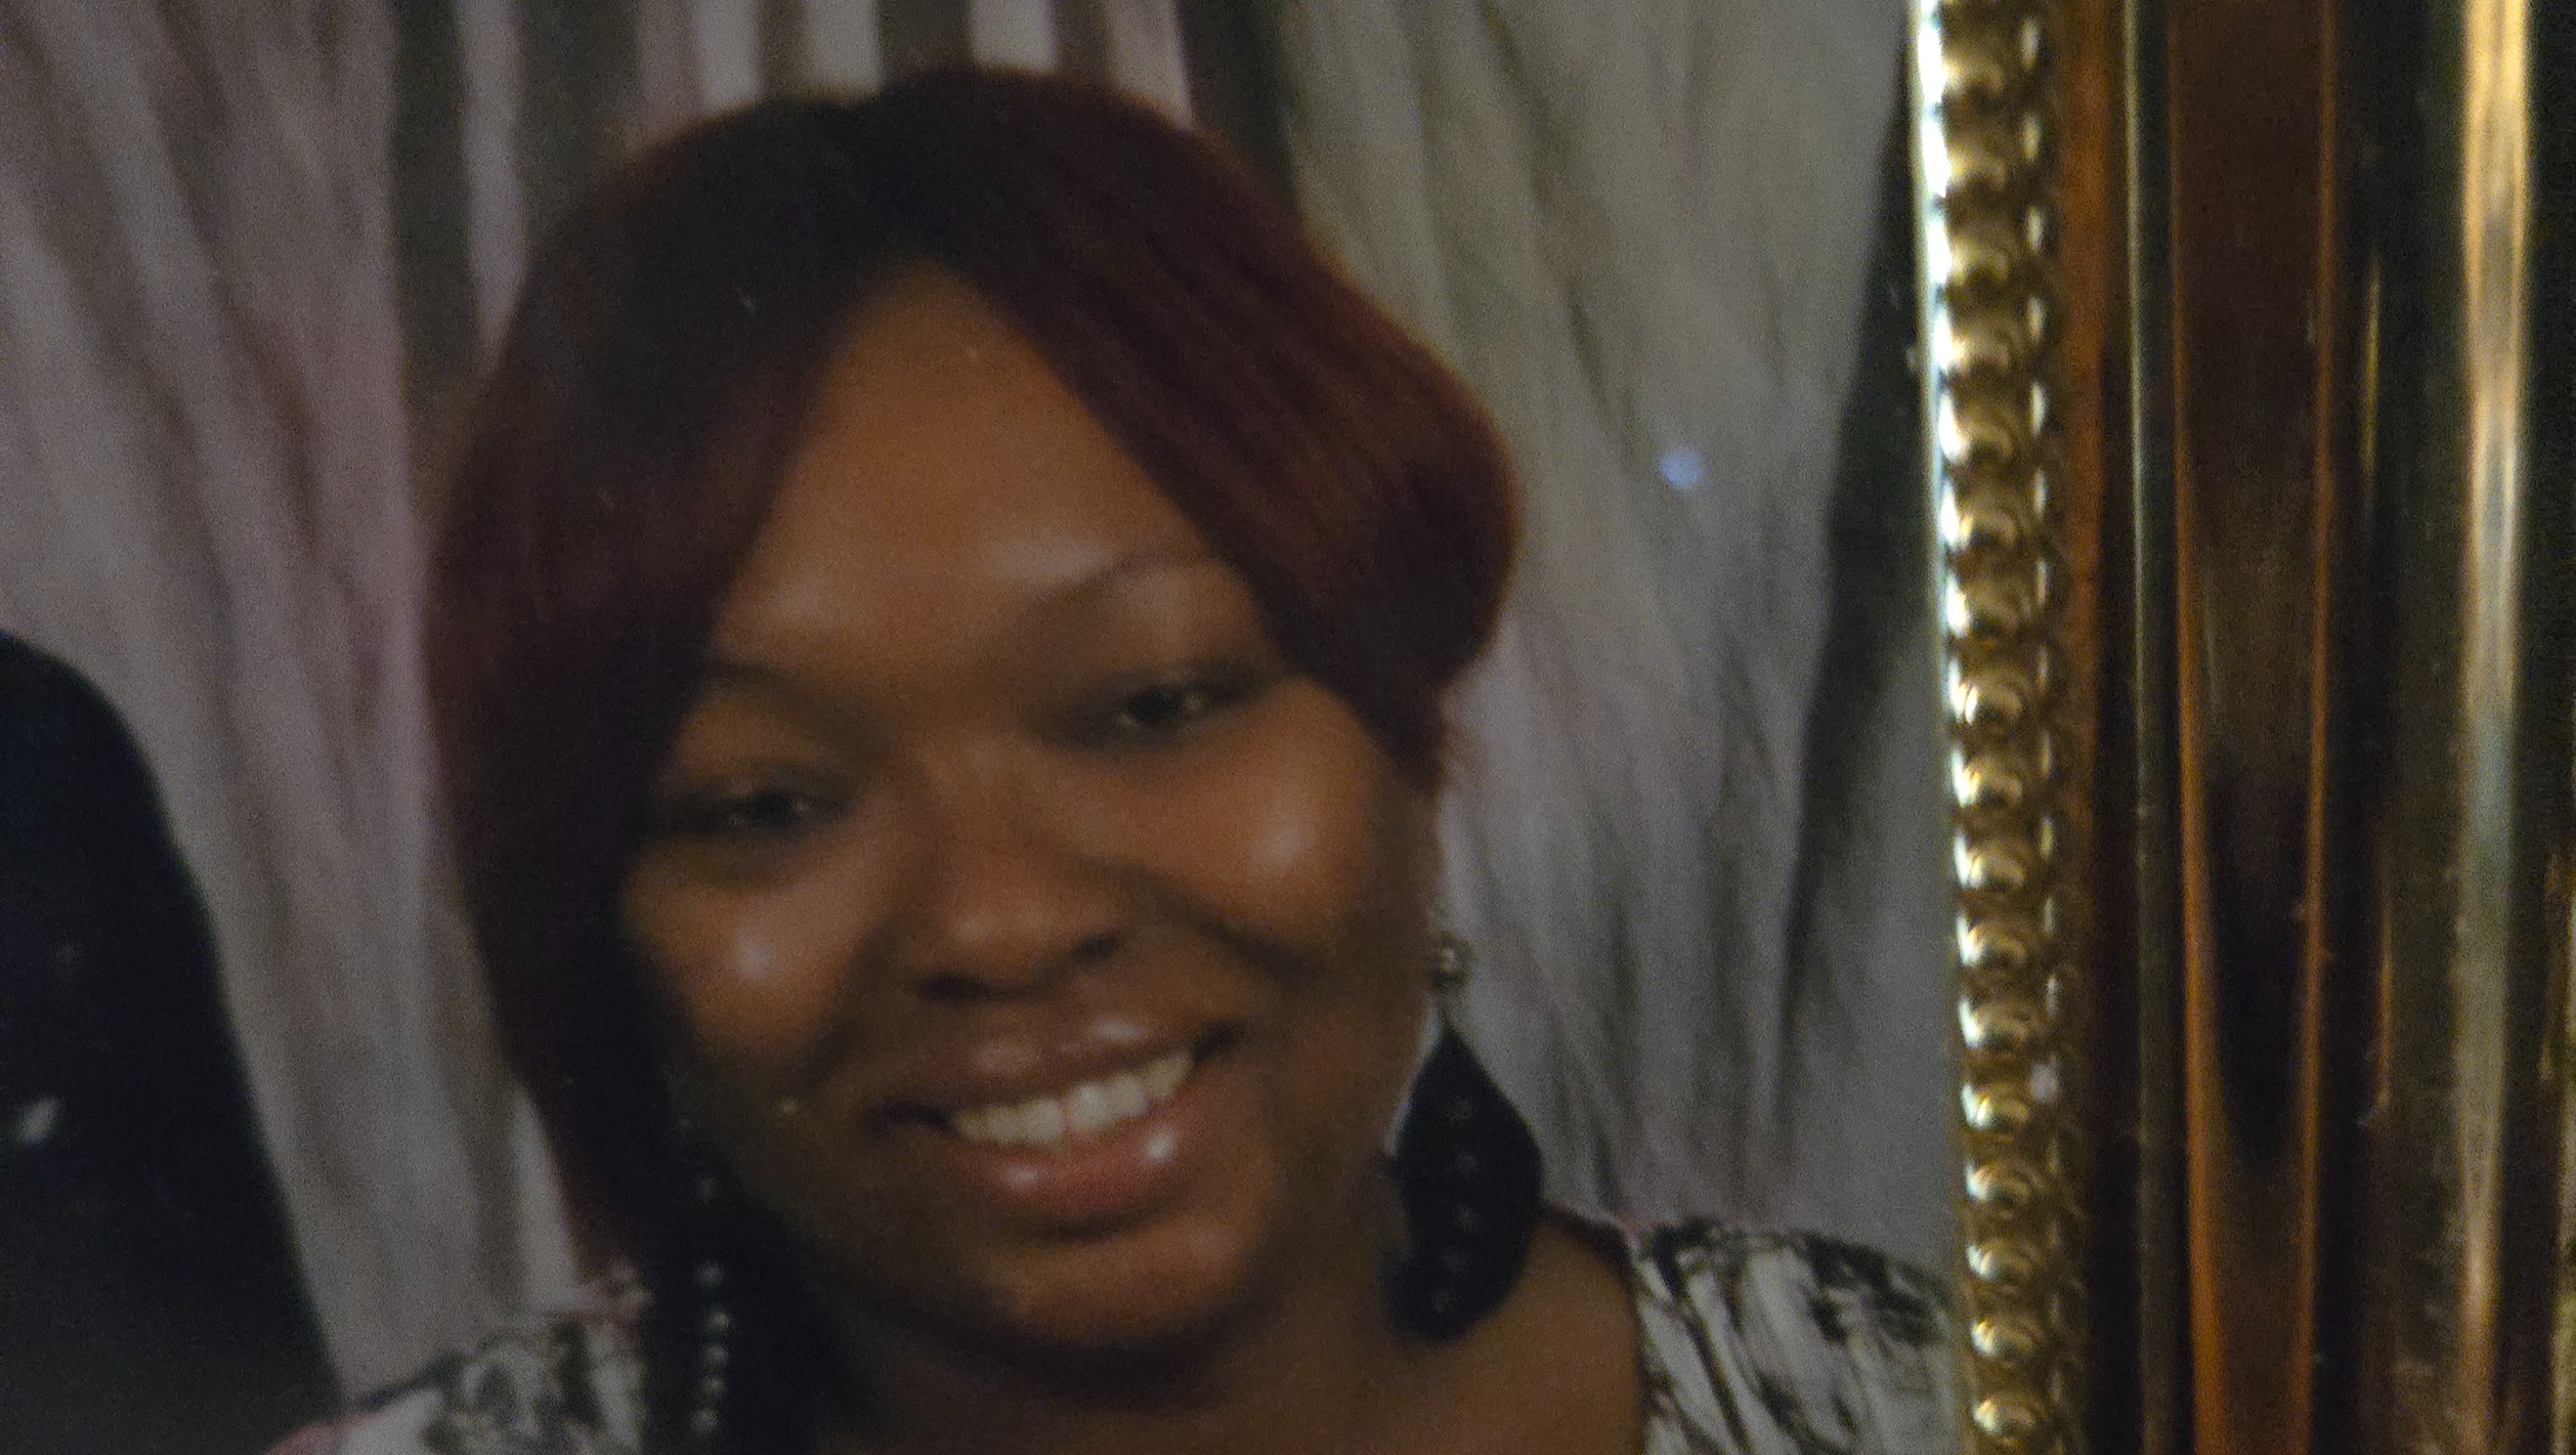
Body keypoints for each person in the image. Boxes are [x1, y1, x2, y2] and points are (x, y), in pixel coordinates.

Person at [280, 69, 1952, 1455]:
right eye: (766, 803)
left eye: (1157, 704)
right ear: (611, 933)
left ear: (1407, 744)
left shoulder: (1936, 1405)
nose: (1001, 923)